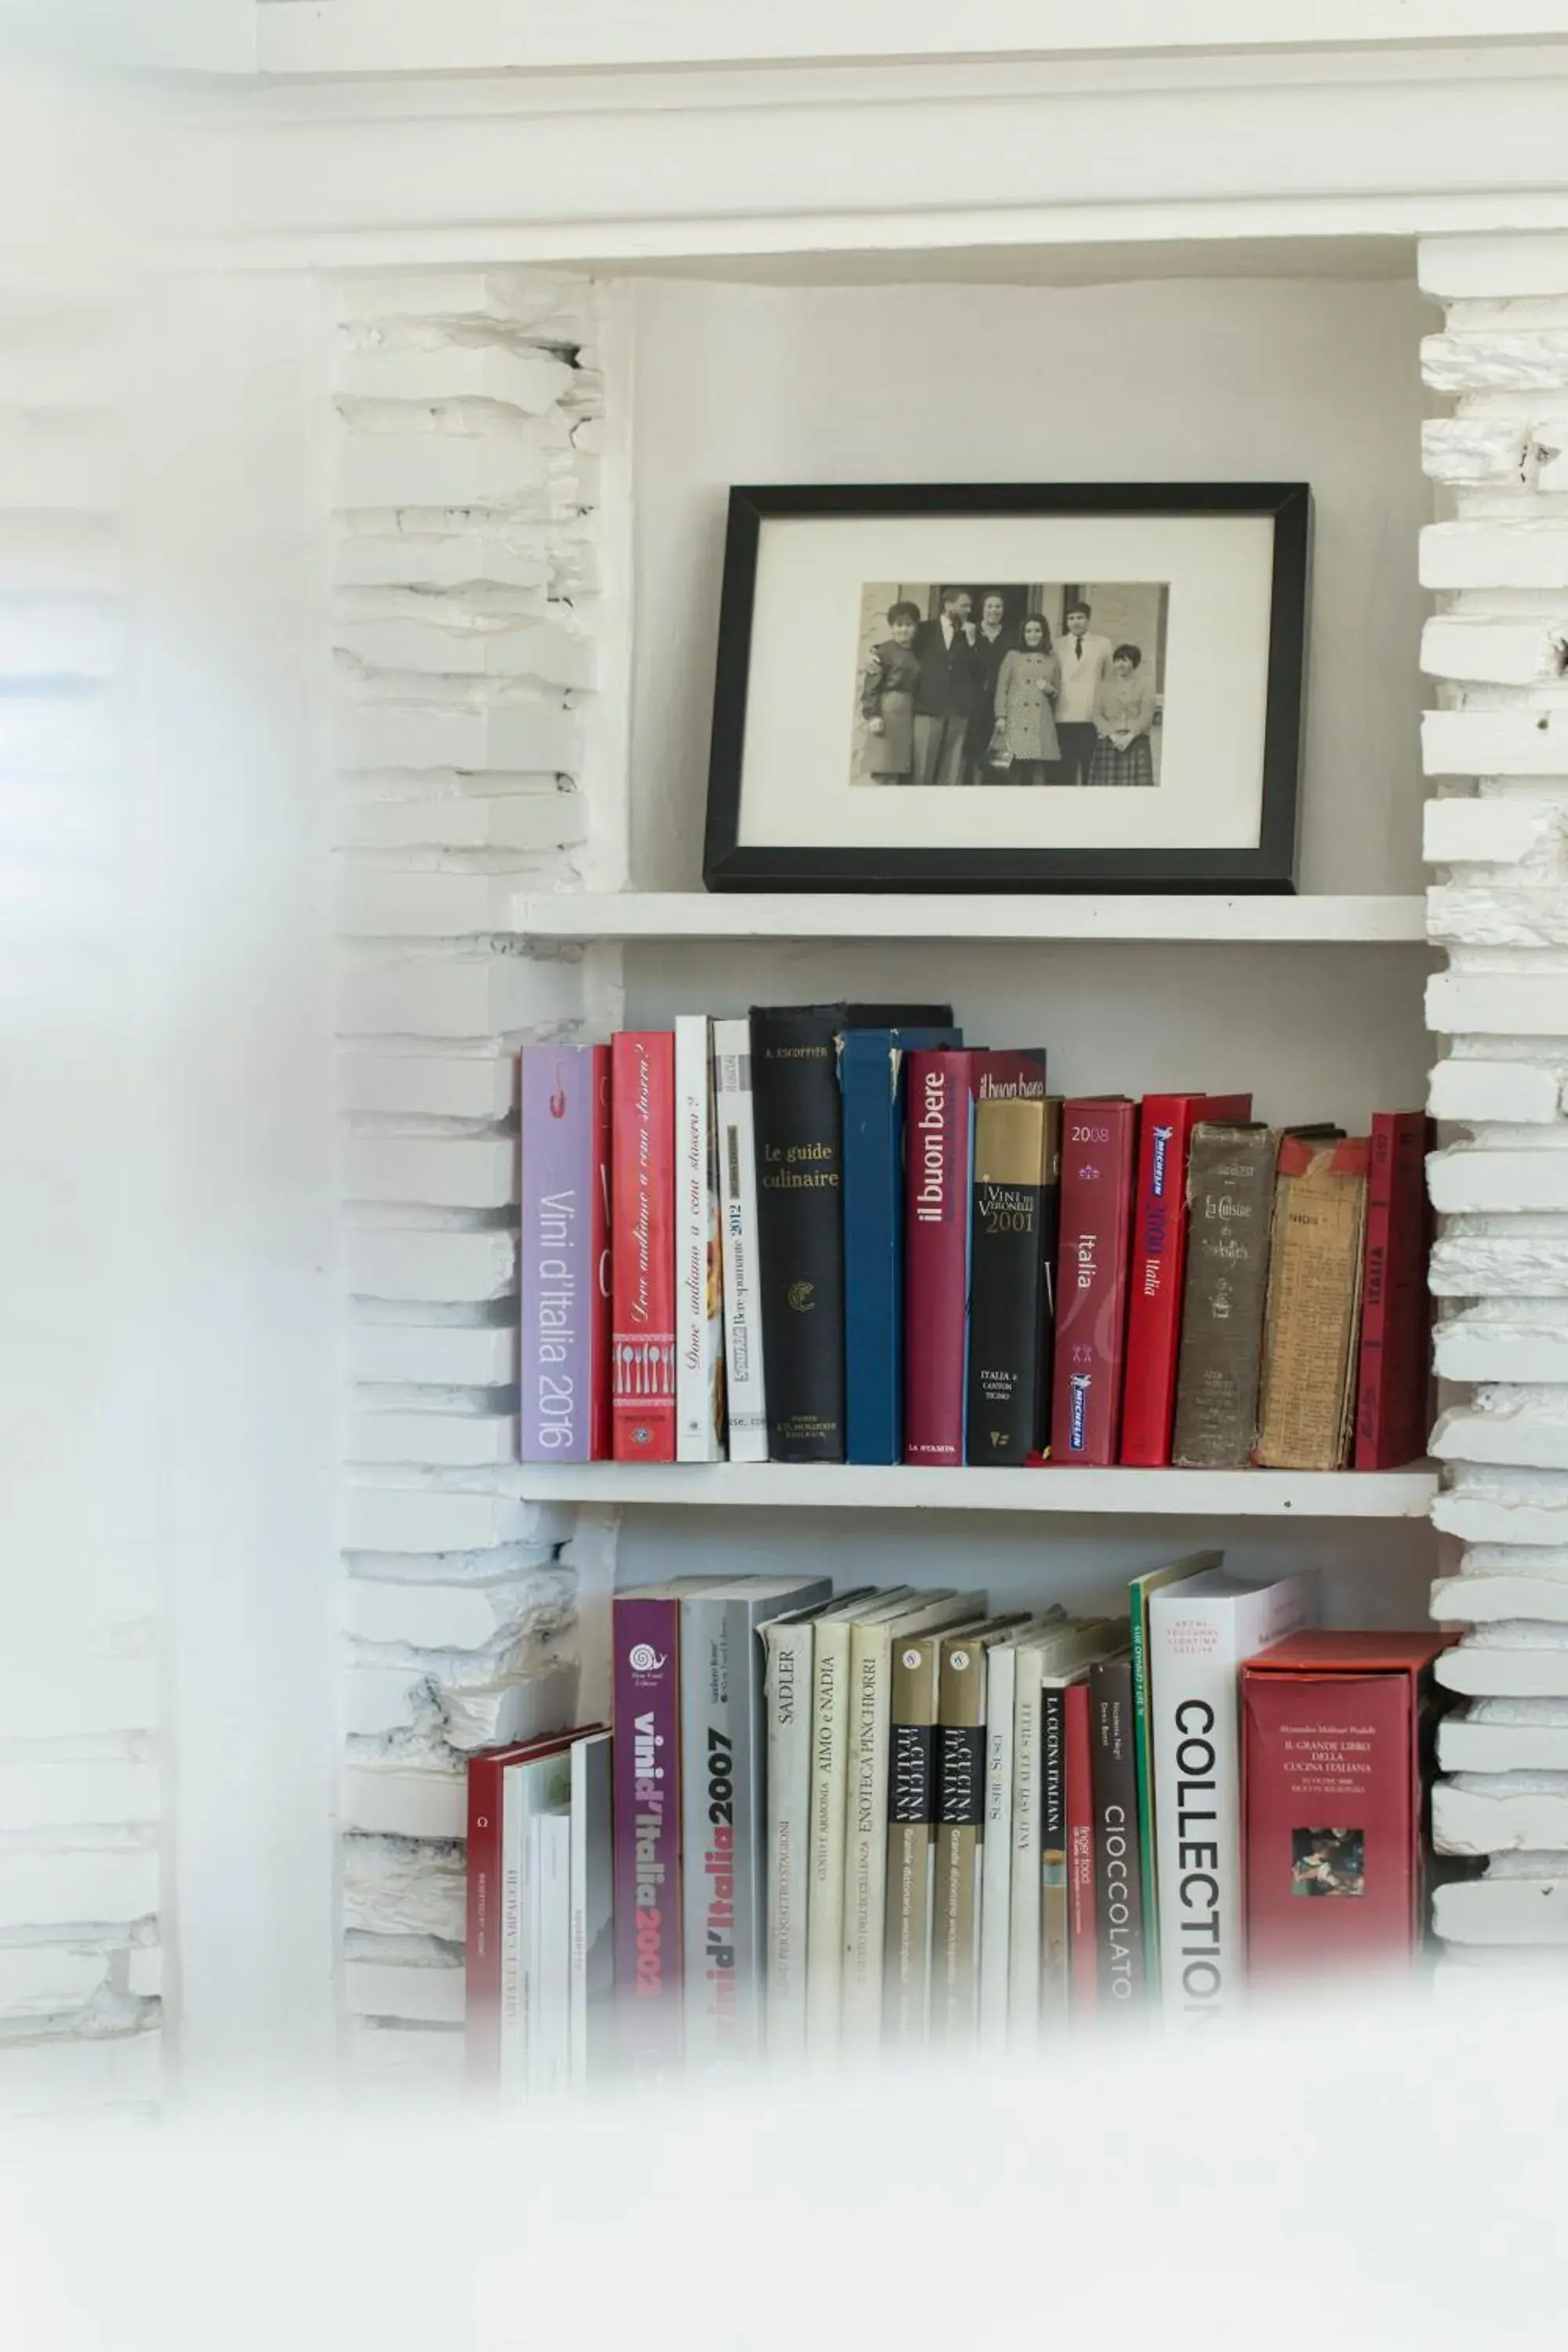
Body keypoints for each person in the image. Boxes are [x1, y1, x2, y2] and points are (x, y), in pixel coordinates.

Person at [909, 587, 980, 788]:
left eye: (969, 606)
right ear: (948, 606)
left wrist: (972, 642)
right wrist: (874, 652)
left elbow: (979, 671)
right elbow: (899, 646)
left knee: (952, 772)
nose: (969, 610)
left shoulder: (972, 634)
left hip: (958, 710)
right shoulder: (924, 629)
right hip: (928, 707)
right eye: (964, 605)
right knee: (922, 769)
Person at [991, 611, 1061, 786]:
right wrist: (1000, 716)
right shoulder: (1012, 656)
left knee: (1038, 768)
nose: (1033, 635)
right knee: (1014, 766)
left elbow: (1057, 693)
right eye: (1028, 631)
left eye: (1037, 631)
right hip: (1016, 718)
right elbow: (1001, 689)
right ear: (1023, 634)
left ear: (1044, 633)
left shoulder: (1052, 659)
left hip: (1040, 719)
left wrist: (1049, 689)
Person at [858, 599, 922, 782]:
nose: (904, 630)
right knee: (884, 766)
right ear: (892, 627)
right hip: (887, 712)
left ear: (916, 627)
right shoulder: (882, 652)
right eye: (899, 625)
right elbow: (871, 687)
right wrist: (873, 715)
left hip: (907, 714)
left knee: (900, 769)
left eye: (909, 625)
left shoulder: (917, 651)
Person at [1054, 598, 1114, 786]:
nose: (1076, 622)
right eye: (1071, 618)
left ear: (1088, 620)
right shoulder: (1057, 645)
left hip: (1091, 716)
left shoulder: (1103, 644)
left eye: (1080, 617)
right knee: (1065, 770)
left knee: (1091, 768)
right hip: (1063, 715)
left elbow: (1109, 680)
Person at [1088, 641, 1159, 787]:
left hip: (1135, 741)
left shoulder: (1145, 685)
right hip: (1109, 741)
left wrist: (1129, 738)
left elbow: (1146, 715)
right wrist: (1113, 737)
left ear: (1134, 663)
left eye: (1126, 660)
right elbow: (1096, 714)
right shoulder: (1104, 686)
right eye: (1118, 660)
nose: (1121, 664)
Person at [966, 590, 1014, 783]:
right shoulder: (971, 631)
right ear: (982, 609)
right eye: (989, 606)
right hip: (974, 701)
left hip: (1002, 702)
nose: (993, 610)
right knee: (974, 751)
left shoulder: (1011, 636)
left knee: (999, 753)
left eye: (998, 606)